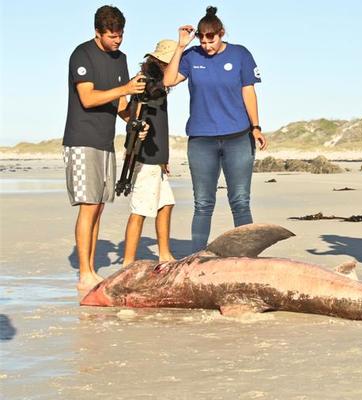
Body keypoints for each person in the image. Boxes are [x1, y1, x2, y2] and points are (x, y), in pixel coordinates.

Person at [163, 6, 267, 252]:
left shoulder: (241, 54)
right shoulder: (191, 57)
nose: (207, 45)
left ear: (222, 33)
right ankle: (198, 256)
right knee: (203, 203)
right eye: (202, 39)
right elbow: (167, 81)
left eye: (212, 39)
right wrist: (180, 47)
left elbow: (248, 91)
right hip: (201, 140)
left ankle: (247, 257)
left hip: (238, 138)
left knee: (240, 201)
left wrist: (256, 127)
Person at [63, 5, 147, 292]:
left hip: (104, 140)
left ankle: (91, 269)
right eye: (112, 36)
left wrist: (134, 122)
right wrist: (125, 90)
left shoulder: (120, 59)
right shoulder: (82, 54)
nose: (117, 41)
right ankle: (85, 273)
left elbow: (121, 104)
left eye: (120, 35)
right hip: (80, 139)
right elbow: (88, 98)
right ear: (97, 32)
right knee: (88, 206)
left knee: (98, 206)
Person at [122, 40, 179, 267]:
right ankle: (127, 263)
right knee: (140, 209)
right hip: (144, 157)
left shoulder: (154, 83)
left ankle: (164, 254)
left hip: (156, 158)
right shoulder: (150, 83)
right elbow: (132, 113)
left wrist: (163, 159)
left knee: (166, 204)